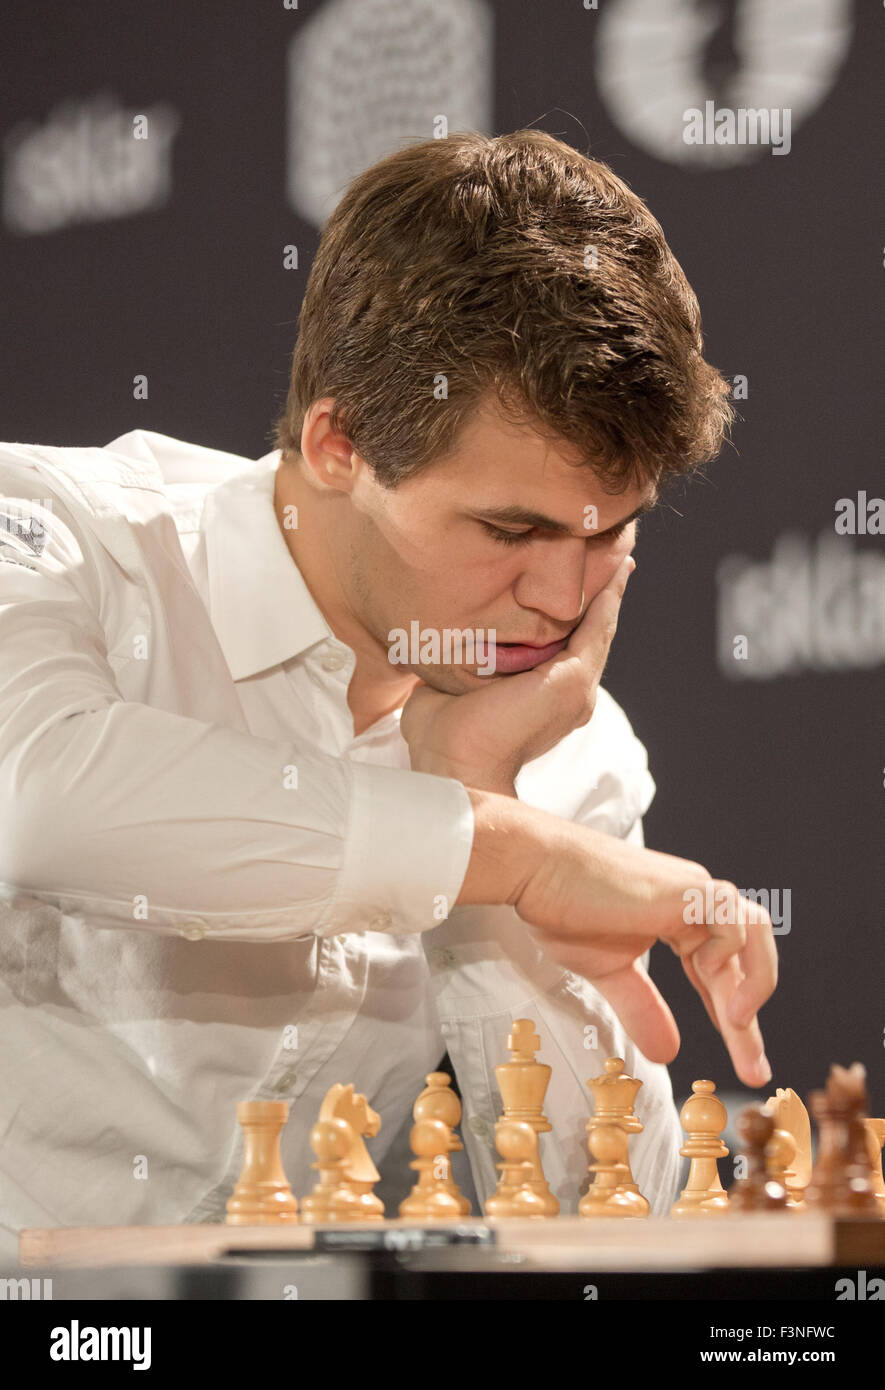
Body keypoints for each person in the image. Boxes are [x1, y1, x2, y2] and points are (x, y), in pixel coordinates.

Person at [0, 130, 775, 1250]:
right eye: (512, 528)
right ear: (338, 445)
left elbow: (611, 1228)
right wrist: (503, 848)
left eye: (613, 533)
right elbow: (37, 791)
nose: (563, 597)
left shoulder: (566, 746)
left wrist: (474, 792)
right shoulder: (55, 536)